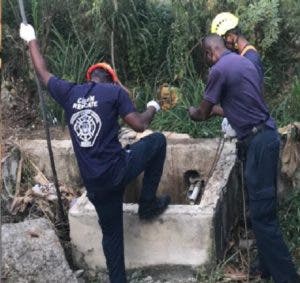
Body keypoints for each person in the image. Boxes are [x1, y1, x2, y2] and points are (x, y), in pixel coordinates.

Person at [19, 23, 171, 283]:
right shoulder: (113, 92)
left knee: (111, 236)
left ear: (90, 77)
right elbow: (139, 124)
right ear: (112, 80)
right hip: (117, 170)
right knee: (157, 142)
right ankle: (147, 205)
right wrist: (152, 106)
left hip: (95, 184)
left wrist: (31, 39)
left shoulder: (69, 93)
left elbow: (43, 73)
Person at [188, 34, 300, 283]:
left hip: (258, 144)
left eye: (205, 57)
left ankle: (288, 278)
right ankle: (265, 267)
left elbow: (202, 112)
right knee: (261, 209)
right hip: (265, 137)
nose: (207, 62)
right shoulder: (245, 62)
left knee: (263, 216)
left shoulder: (218, 70)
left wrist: (191, 111)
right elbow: (237, 106)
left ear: (210, 53)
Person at [211, 12, 263, 86]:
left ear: (230, 37)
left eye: (224, 41)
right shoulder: (244, 54)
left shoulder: (250, 58)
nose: (224, 46)